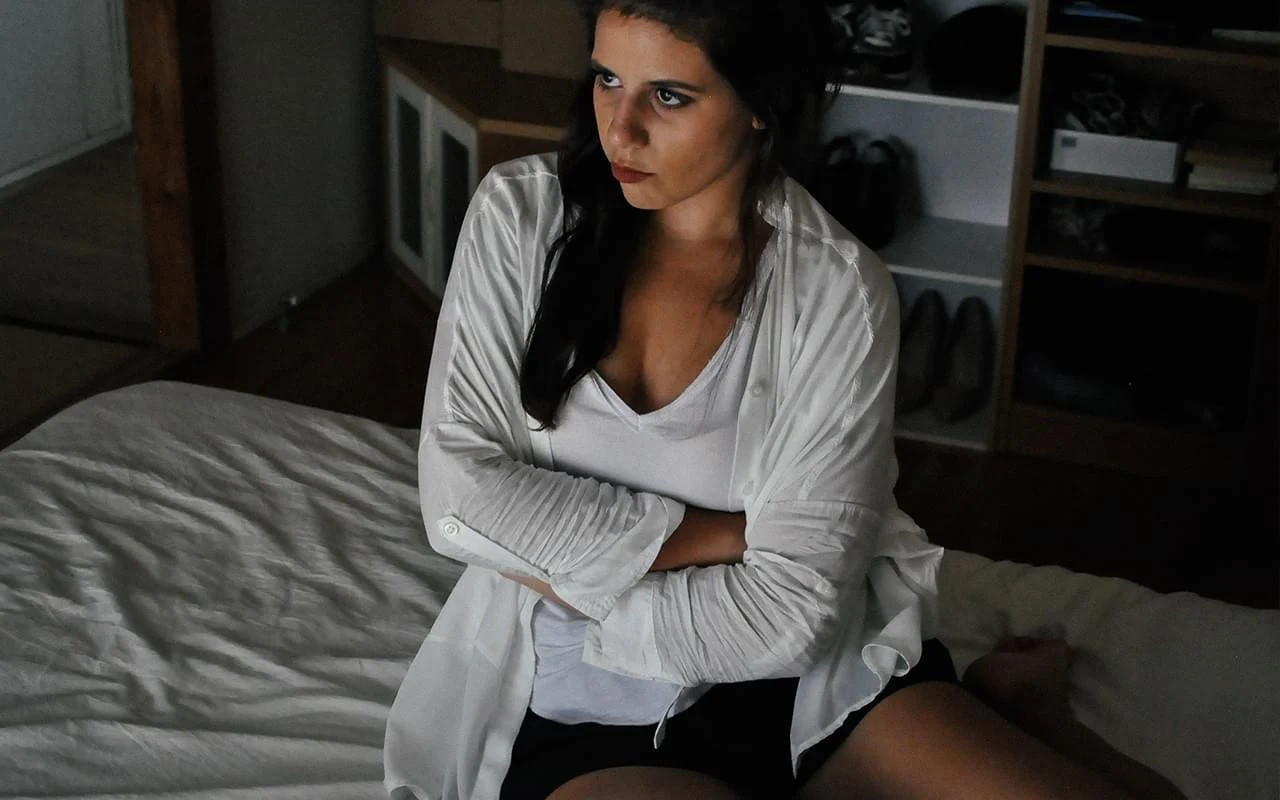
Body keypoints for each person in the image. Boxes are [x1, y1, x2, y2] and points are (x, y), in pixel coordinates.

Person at [383, 2, 1188, 798]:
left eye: (669, 96)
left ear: (761, 105)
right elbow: (458, 501)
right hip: (597, 705)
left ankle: (1031, 710)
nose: (619, 130)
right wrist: (721, 536)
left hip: (818, 685)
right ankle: (1014, 711)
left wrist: (579, 579)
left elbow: (793, 616)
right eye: (606, 79)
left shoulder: (840, 288)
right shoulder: (520, 216)